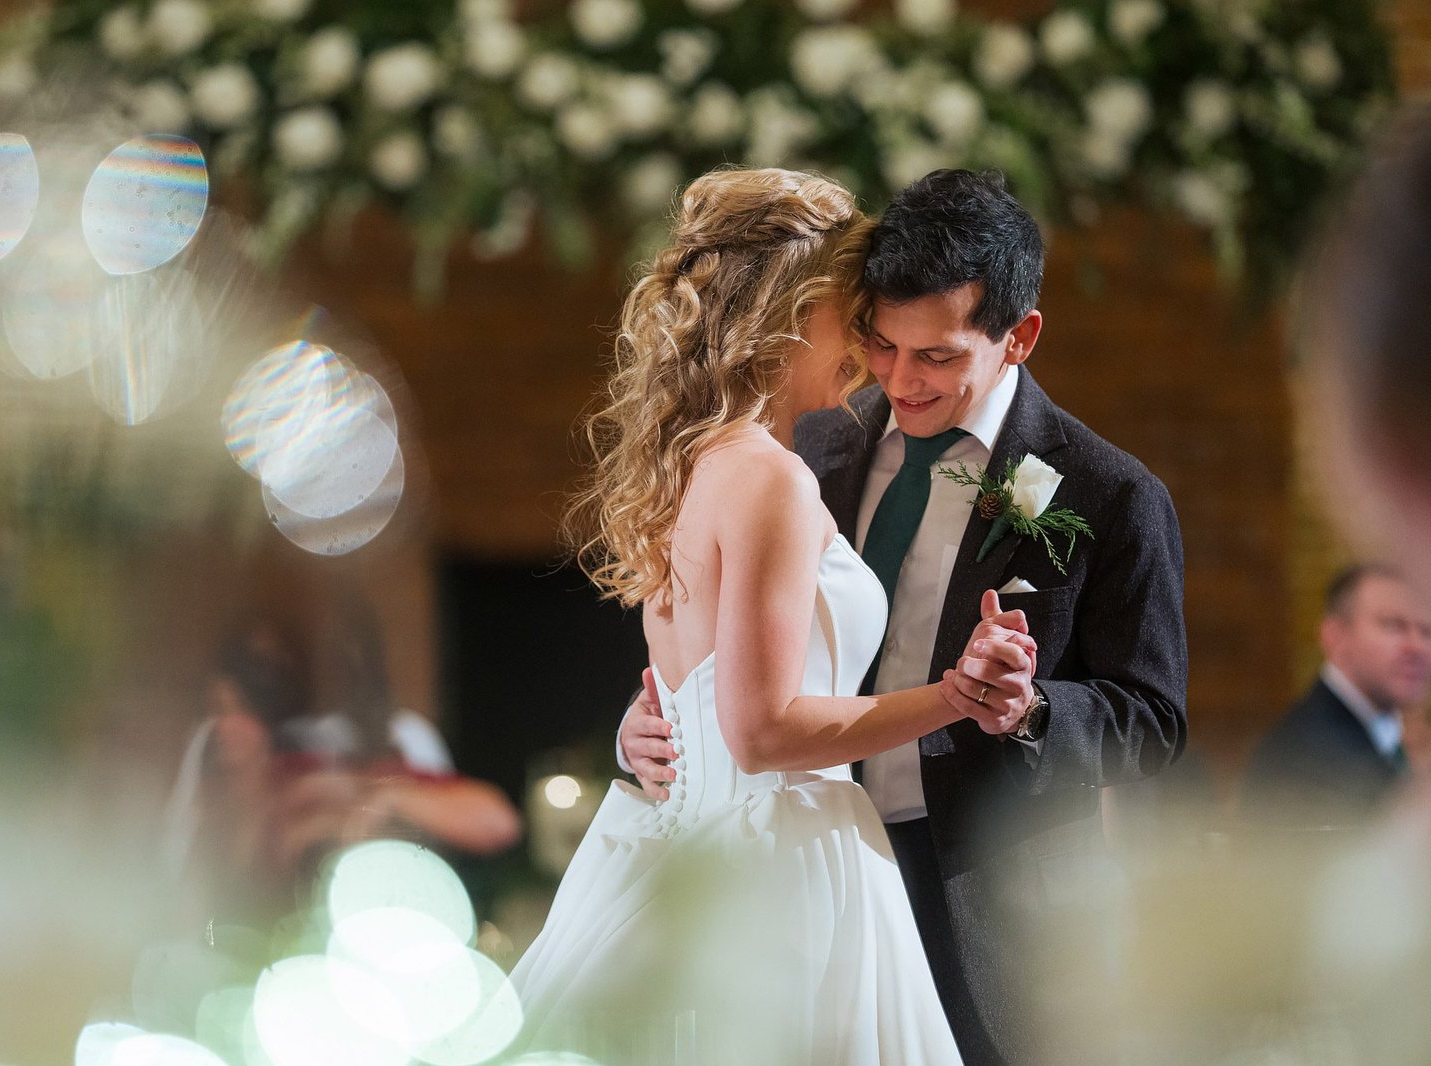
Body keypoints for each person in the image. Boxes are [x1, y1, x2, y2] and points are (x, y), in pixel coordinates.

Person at [620, 169, 1189, 1065]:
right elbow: (747, 645)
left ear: (1019, 337)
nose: (899, 380)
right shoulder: (812, 442)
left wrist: (1031, 708)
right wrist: (656, 723)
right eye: (880, 344)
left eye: (938, 357)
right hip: (804, 870)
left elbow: (1153, 721)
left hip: (992, 907)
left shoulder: (1111, 493)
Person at [510, 168, 1040, 1065]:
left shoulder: (692, 462)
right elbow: (760, 732)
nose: (870, 345)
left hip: (681, 838)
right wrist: (954, 697)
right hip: (777, 861)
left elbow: (706, 694)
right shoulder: (770, 478)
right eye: (855, 314)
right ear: (792, 313)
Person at [160, 614, 522, 929]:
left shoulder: (357, 763)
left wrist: (384, 800)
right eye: (219, 710)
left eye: (243, 708)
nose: (227, 727)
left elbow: (498, 822)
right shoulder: (230, 782)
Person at [1241, 565, 1431, 829]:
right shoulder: (1309, 759)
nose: (1416, 646)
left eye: (1426, 631)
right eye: (1393, 625)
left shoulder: (1389, 739)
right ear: (1335, 636)